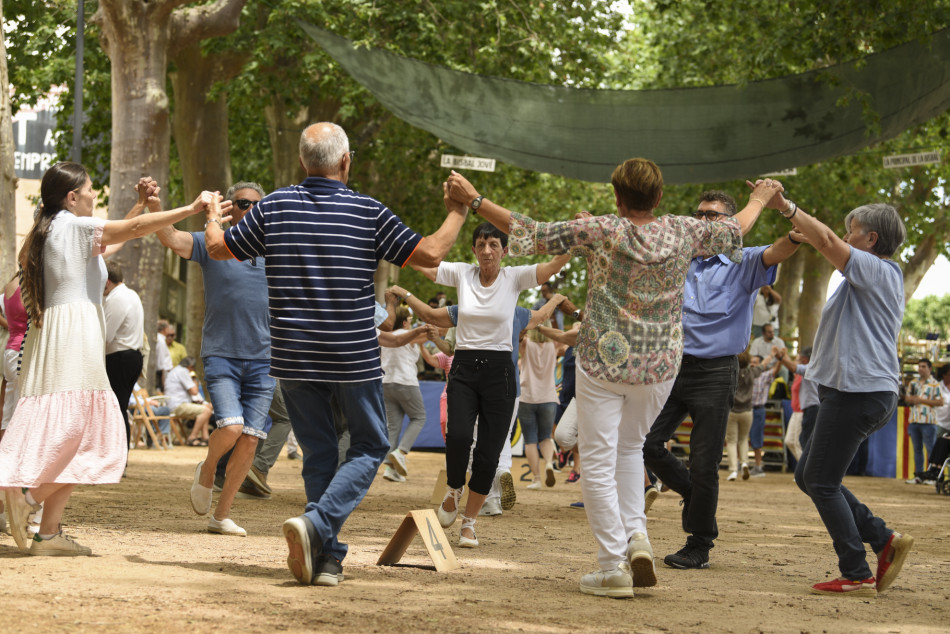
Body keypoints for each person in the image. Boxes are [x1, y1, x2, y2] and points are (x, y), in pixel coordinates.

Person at [446, 163, 783, 598]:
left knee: (600, 462)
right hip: (659, 366)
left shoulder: (603, 229)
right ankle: (636, 537)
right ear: (659, 198)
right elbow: (736, 227)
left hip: (603, 364)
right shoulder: (684, 231)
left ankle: (612, 566)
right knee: (631, 449)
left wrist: (475, 200)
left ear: (617, 198)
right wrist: (763, 195)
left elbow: (531, 231)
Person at [201, 121, 470, 586]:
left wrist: (210, 213)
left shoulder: (275, 206)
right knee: (370, 445)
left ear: (302, 162)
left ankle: (327, 559)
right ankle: (318, 527)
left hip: (292, 357)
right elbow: (430, 255)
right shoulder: (367, 209)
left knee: (320, 452)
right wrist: (460, 211)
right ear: (346, 162)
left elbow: (218, 248)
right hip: (350, 355)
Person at [0, 161, 216, 556]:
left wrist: (138, 207)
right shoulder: (74, 227)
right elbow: (129, 232)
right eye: (88, 190)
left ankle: (48, 534)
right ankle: (29, 498)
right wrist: (190, 208)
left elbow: (116, 241)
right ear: (71, 197)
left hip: (60, 339)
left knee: (76, 433)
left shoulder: (51, 232)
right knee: (84, 432)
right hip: (75, 339)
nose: (93, 195)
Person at [762, 181, 914, 596]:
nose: (844, 237)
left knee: (821, 480)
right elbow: (826, 240)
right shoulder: (862, 278)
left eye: (852, 231)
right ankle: (882, 539)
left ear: (872, 238)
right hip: (854, 390)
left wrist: (785, 207)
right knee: (808, 476)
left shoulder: (877, 269)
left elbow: (826, 239)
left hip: (859, 391)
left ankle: (858, 570)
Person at [641, 188, 800, 571]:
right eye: (700, 215)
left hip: (717, 371)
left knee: (705, 460)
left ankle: (699, 543)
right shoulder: (678, 260)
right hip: (673, 366)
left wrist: (796, 234)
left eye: (713, 216)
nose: (704, 222)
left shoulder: (742, 260)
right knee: (646, 444)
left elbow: (777, 250)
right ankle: (695, 496)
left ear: (731, 224)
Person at [393, 235, 569, 539]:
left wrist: (574, 239)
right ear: (474, 250)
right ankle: (453, 489)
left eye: (494, 244)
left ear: (504, 250)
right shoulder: (463, 274)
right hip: (464, 365)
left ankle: (470, 522)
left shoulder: (514, 278)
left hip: (501, 372)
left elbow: (552, 267)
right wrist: (396, 250)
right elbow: (428, 265)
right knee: (459, 435)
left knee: (488, 451)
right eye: (481, 244)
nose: (487, 250)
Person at [156, 180, 278, 536]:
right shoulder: (212, 243)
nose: (250, 210)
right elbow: (170, 237)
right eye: (242, 203)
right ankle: (208, 468)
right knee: (232, 427)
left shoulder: (277, 251)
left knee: (251, 439)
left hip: (265, 361)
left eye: (257, 205)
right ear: (229, 207)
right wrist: (155, 205)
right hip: (221, 355)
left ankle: (221, 515)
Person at [378, 307, 429, 483]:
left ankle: (390, 468)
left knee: (393, 425)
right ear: (406, 322)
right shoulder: (410, 335)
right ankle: (401, 452)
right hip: (406, 381)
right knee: (419, 417)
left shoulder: (385, 335)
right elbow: (432, 335)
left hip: (386, 382)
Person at [103, 259, 145, 448]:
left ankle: (118, 456)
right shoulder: (132, 294)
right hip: (133, 357)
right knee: (119, 406)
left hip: (120, 357)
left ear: (106, 281)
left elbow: (106, 336)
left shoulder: (116, 298)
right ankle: (120, 456)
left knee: (116, 407)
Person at [519, 327, 562, 490]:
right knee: (545, 437)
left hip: (527, 397)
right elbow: (560, 334)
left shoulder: (525, 343)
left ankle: (536, 478)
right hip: (548, 396)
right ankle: (549, 463)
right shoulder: (554, 344)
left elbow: (518, 336)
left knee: (530, 440)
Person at [904, 358, 944, 484]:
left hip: (928, 421)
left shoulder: (935, 384)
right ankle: (919, 475)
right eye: (919, 366)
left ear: (929, 369)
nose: (920, 368)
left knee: (931, 449)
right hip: (915, 420)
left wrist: (921, 400)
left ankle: (933, 476)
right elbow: (907, 398)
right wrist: (913, 400)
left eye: (923, 366)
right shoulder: (914, 383)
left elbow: (940, 402)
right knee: (917, 450)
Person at [164, 357, 214, 446]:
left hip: (174, 404)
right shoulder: (183, 371)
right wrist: (194, 379)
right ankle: (192, 437)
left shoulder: (175, 370)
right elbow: (194, 391)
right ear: (190, 366)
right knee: (206, 411)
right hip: (178, 405)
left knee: (207, 408)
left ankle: (205, 437)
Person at [155, 320, 173, 391]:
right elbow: (161, 363)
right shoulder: (161, 341)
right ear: (165, 329)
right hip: (163, 373)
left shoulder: (161, 340)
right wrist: (163, 382)